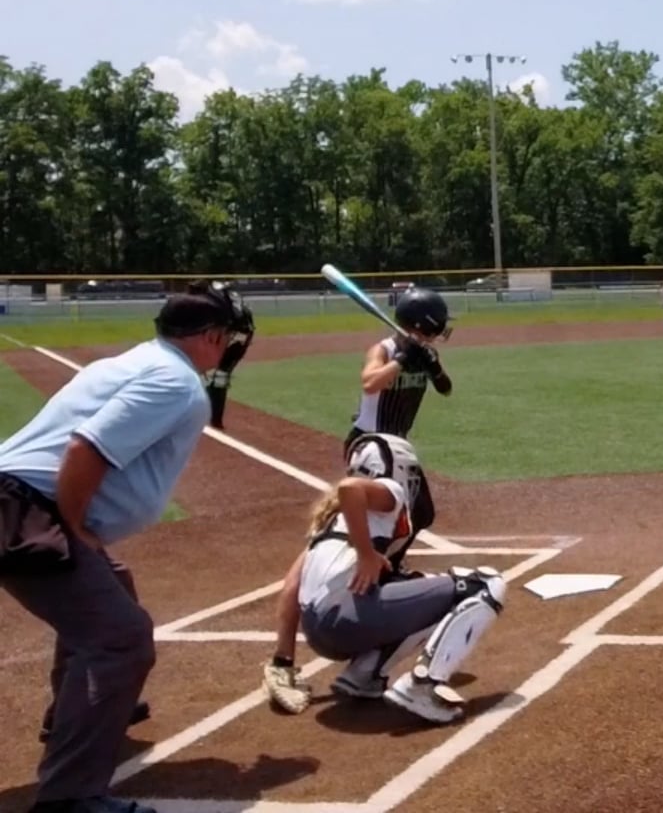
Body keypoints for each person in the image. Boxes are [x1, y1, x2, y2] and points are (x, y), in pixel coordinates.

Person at [0, 282, 251, 813]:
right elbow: (85, 449)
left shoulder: (137, 361)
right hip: (25, 512)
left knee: (114, 584)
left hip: (19, 504)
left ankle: (74, 713)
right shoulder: (174, 381)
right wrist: (75, 529)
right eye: (227, 338)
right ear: (211, 336)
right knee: (121, 639)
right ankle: (70, 797)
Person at [260, 432, 505, 724]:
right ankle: (422, 687)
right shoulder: (390, 490)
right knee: (485, 585)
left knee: (413, 584)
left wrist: (283, 660)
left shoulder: (330, 521)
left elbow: (292, 587)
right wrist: (366, 553)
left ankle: (364, 674)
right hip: (342, 621)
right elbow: (349, 488)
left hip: (319, 631)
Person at [347, 286, 453, 575]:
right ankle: (369, 570)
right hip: (371, 444)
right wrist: (401, 360)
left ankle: (388, 564)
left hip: (397, 447)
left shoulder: (425, 353)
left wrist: (433, 366)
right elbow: (370, 383)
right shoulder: (384, 350)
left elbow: (445, 389)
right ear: (423, 324)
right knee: (385, 516)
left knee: (422, 513)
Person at [203, 284, 256, 430]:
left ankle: (212, 416)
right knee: (220, 376)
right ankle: (215, 418)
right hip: (243, 336)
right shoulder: (233, 296)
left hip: (231, 335)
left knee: (214, 376)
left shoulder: (216, 298)